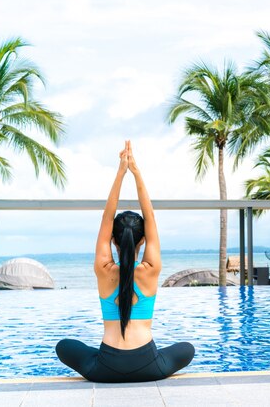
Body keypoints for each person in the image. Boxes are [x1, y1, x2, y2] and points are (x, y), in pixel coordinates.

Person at [56, 141, 194, 382]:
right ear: (142, 241)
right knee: (187, 349)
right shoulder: (150, 270)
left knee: (64, 346)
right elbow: (149, 217)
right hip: (150, 365)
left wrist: (120, 172)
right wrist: (135, 171)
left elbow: (106, 217)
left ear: (112, 240)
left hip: (105, 369)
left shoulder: (103, 269)